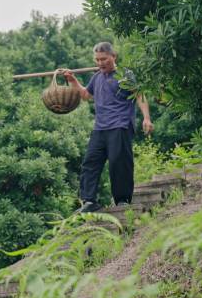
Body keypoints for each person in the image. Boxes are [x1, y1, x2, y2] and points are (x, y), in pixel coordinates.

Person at [63, 42, 153, 213]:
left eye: (103, 59)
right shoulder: (97, 77)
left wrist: (146, 118)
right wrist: (73, 80)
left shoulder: (125, 74)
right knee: (90, 162)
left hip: (120, 125)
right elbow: (85, 95)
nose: (100, 63)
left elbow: (140, 94)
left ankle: (123, 201)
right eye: (97, 60)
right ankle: (89, 201)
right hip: (100, 128)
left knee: (118, 163)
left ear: (114, 56)